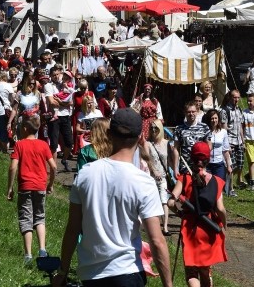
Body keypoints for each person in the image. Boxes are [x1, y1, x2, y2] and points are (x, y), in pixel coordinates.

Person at [54, 108, 173, 286]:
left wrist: (63, 271)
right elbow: (157, 240)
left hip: (91, 275)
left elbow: (73, 228)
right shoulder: (144, 182)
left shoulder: (85, 174)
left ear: (109, 134)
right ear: (141, 136)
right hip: (127, 272)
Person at [168, 141, 228, 287]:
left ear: (191, 157)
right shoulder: (217, 181)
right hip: (209, 227)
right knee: (205, 270)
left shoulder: (184, 178)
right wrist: (224, 224)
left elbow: (170, 202)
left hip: (190, 229)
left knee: (191, 273)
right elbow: (220, 209)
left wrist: (180, 213)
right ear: (208, 159)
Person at [7, 115, 55, 266]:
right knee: (40, 217)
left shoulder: (20, 145)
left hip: (25, 187)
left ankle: (28, 255)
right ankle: (42, 250)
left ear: (25, 128)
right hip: (40, 186)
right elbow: (53, 166)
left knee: (26, 219)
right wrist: (51, 184)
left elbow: (13, 166)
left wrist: (10, 187)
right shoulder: (43, 145)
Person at [146, 119, 171, 236]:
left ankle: (165, 226)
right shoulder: (148, 143)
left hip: (164, 176)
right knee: (152, 202)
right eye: (151, 128)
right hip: (151, 177)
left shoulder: (167, 143)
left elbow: (170, 160)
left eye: (156, 128)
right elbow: (146, 159)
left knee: (163, 201)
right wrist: (153, 170)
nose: (154, 130)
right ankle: (154, 227)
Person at [174, 101, 210, 177]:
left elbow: (209, 146)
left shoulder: (204, 127)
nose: (191, 114)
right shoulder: (179, 129)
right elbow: (176, 149)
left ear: (197, 112)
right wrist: (175, 168)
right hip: (185, 166)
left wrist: (204, 163)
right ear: (185, 113)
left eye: (193, 111)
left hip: (200, 166)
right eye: (188, 112)